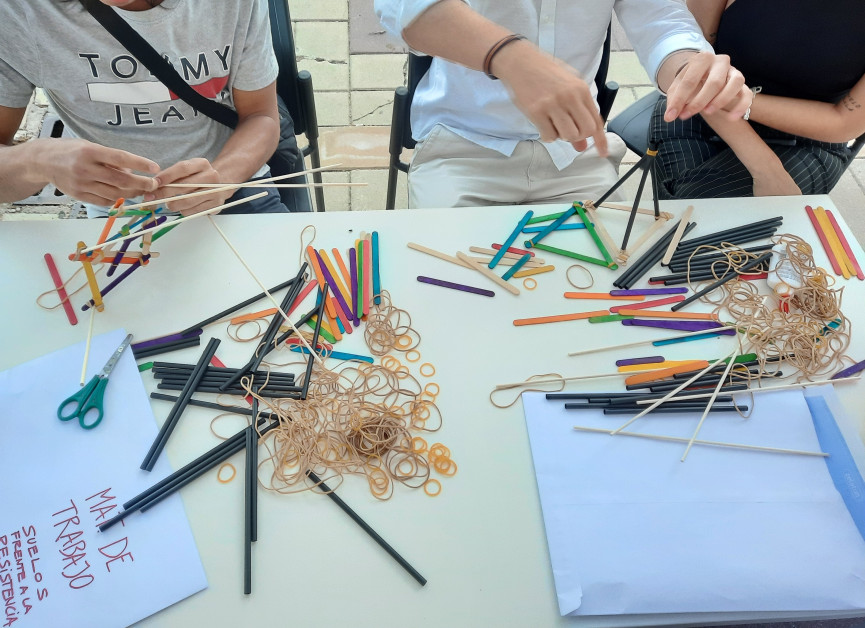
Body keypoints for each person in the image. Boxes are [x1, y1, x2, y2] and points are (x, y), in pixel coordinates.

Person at [375, 0, 752, 209]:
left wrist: (686, 66)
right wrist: (510, 57)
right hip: (462, 147)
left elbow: (661, 20)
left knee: (606, 293)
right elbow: (403, 9)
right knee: (451, 293)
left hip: (575, 153)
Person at [0, 0, 289, 215]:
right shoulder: (17, 13)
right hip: (118, 209)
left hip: (233, 185)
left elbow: (261, 116)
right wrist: (37, 161)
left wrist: (222, 177)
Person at [650, 0, 865, 199]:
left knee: (693, 208)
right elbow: (692, 58)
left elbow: (842, 122)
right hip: (702, 112)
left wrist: (739, 101)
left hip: (806, 139)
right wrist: (765, 167)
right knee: (689, 209)